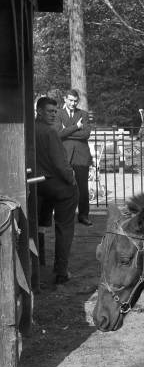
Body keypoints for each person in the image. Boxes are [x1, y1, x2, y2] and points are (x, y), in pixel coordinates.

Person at [35, 97, 79, 284]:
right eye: (49, 111)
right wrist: (73, 180)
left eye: (55, 111)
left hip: (38, 185)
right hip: (57, 186)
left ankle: (39, 260)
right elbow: (61, 164)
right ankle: (61, 271)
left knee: (40, 224)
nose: (53, 114)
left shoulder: (30, 129)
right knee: (64, 227)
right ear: (39, 111)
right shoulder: (50, 132)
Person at [56, 89, 93, 226]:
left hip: (81, 157)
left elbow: (86, 134)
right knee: (64, 187)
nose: (73, 103)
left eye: (75, 101)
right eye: (70, 100)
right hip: (64, 156)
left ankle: (83, 216)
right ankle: (65, 216)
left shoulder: (83, 114)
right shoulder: (58, 114)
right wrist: (76, 127)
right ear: (65, 99)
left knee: (82, 189)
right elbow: (58, 134)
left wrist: (67, 130)